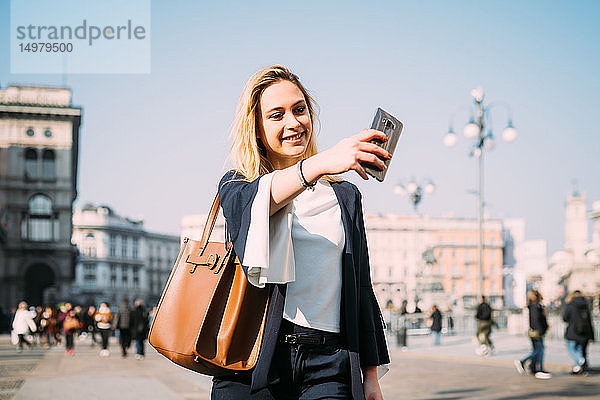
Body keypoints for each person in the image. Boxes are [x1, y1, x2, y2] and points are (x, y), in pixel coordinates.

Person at [213, 65, 390, 400]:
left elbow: (360, 288)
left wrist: (370, 376)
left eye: (299, 109)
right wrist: (320, 163)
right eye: (276, 115)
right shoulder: (239, 185)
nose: (293, 123)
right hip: (252, 362)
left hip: (329, 364)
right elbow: (250, 211)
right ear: (258, 128)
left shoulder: (345, 196)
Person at [514, 290, 551, 379]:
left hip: (534, 331)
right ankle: (535, 367)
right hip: (537, 332)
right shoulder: (536, 306)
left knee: (537, 350)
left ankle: (533, 368)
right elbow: (537, 320)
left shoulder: (533, 306)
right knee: (540, 350)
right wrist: (541, 330)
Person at [563, 290, 594, 374]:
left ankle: (581, 360)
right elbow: (589, 320)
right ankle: (578, 369)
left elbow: (565, 318)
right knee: (580, 350)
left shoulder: (570, 305)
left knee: (571, 348)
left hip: (573, 332)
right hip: (585, 332)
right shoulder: (586, 304)